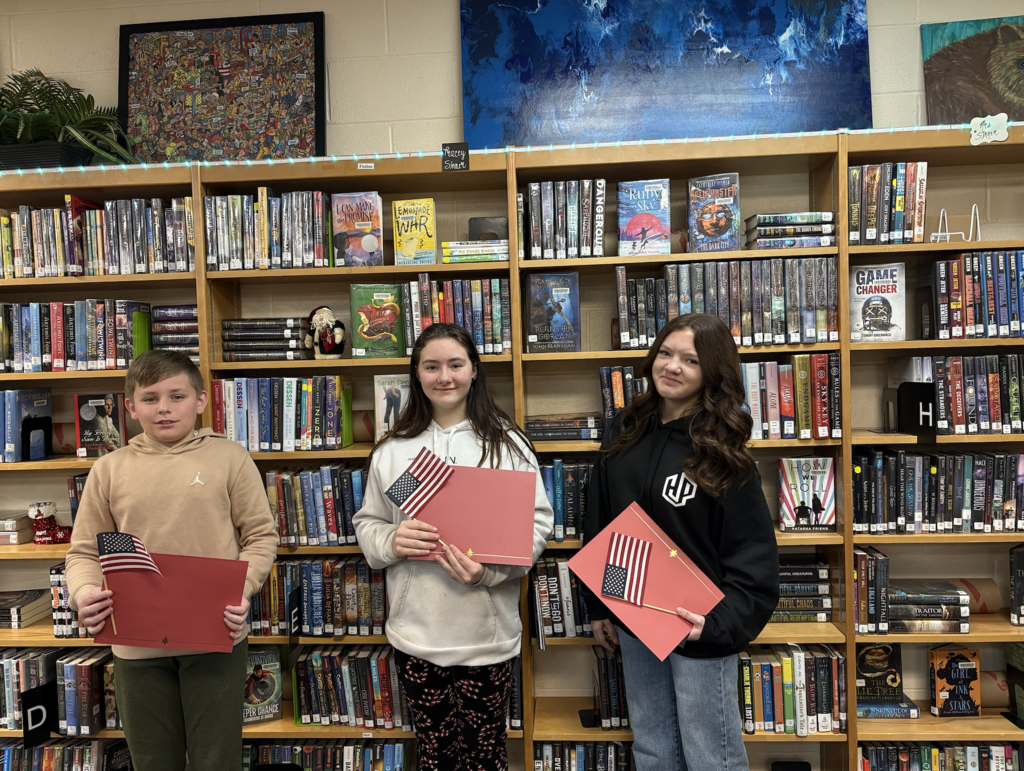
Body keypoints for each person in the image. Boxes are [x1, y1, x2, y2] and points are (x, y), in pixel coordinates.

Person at [581, 313, 779, 771]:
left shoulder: (723, 451)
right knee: (653, 749)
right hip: (634, 618)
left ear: (712, 372)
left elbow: (753, 558)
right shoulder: (624, 428)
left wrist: (716, 626)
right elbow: (601, 520)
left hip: (698, 626)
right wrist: (598, 607)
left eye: (690, 360)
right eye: (666, 353)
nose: (672, 366)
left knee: (712, 755)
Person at [65, 350, 279, 771]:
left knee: (216, 760)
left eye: (176, 396)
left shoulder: (229, 458)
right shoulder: (108, 469)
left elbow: (259, 537)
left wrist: (243, 588)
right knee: (152, 760)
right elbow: (85, 551)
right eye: (150, 398)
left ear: (200, 401)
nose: (163, 408)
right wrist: (84, 592)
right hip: (135, 643)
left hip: (216, 634)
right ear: (129, 406)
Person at [354, 323, 553, 771]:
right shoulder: (394, 450)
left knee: (486, 757)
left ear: (474, 371)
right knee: (435, 757)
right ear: (417, 375)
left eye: (455, 365)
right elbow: (369, 523)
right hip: (417, 637)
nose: (444, 377)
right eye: (431, 366)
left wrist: (490, 573)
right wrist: (391, 539)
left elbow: (537, 525)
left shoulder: (508, 445)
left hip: (488, 638)